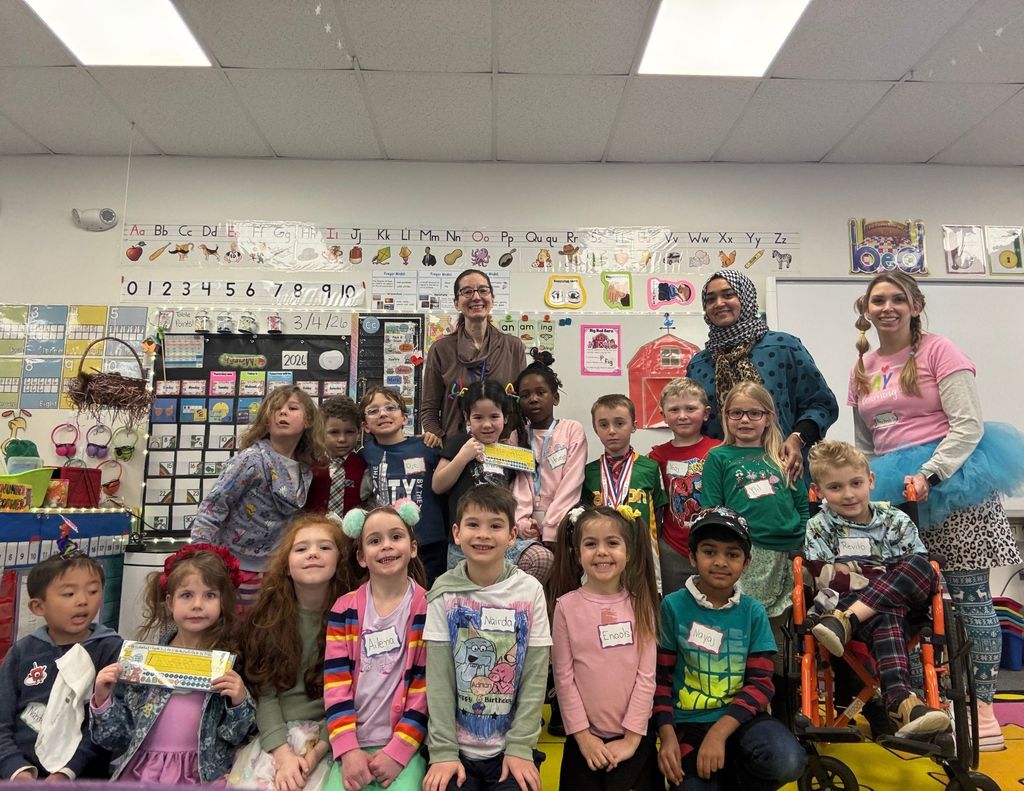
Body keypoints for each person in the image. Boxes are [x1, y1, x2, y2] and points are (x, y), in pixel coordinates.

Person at [850, 271, 1024, 750]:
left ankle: (983, 708)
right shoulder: (862, 365)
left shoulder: (939, 350)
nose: (887, 307)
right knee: (908, 603)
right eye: (878, 299)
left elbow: (968, 425)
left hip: (952, 484)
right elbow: (867, 440)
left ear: (915, 305)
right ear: (865, 308)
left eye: (897, 299)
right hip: (895, 495)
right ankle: (928, 701)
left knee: (969, 598)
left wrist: (931, 474)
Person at [803, 440, 950, 737]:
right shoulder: (819, 525)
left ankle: (850, 618)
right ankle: (902, 702)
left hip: (854, 618)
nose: (848, 494)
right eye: (835, 487)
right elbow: (825, 579)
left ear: (871, 481)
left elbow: (918, 573)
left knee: (921, 566)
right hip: (869, 616)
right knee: (887, 612)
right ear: (819, 491)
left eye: (856, 483)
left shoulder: (895, 519)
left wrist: (856, 574)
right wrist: (884, 574)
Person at [655, 507, 806, 791]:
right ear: (692, 557)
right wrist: (667, 735)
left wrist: (719, 734)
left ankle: (730, 775)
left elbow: (761, 684)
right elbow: (660, 679)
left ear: (746, 563)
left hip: (742, 720)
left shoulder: (753, 612)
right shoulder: (672, 607)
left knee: (788, 760)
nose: (720, 562)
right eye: (709, 552)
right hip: (688, 725)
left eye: (732, 554)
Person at [90, 544, 256, 784]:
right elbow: (116, 738)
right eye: (187, 595)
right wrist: (103, 699)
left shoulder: (231, 661)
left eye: (209, 595)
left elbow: (237, 736)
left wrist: (239, 701)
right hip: (143, 774)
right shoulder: (143, 662)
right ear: (170, 602)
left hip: (203, 775)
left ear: (223, 601)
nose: (197, 604)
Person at [423, 485, 551, 791]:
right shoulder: (443, 591)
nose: (483, 534)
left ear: (512, 536)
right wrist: (442, 752)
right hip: (455, 751)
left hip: (511, 749)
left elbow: (535, 676)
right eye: (473, 524)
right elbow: (439, 678)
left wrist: (520, 747)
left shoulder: (529, 590)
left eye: (495, 525)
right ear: (456, 533)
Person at [230, 515, 352, 791]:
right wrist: (283, 754)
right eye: (301, 549)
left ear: (340, 559)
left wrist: (317, 751)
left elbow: (355, 696)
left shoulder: (354, 618)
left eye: (324, 547)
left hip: (332, 737)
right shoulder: (267, 620)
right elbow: (265, 693)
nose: (312, 553)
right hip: (277, 738)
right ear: (286, 565)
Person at [686, 269, 838, 481]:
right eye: (710, 299)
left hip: (784, 472)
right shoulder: (699, 365)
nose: (719, 303)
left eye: (728, 295)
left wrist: (797, 439)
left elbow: (821, 405)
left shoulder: (783, 347)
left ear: (745, 298)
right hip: (725, 479)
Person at [548, 506, 660, 791]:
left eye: (612, 543)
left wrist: (632, 739)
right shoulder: (566, 608)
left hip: (636, 739)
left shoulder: (641, 605)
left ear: (629, 552)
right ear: (577, 552)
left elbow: (646, 678)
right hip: (584, 741)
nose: (601, 552)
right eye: (590, 544)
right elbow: (563, 678)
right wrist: (584, 738)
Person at [323, 501, 429, 791]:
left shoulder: (428, 607)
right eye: (374, 540)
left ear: (414, 547)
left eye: (396, 537)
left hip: (404, 747)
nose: (386, 546)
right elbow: (335, 685)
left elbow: (425, 687)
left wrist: (398, 752)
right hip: (352, 746)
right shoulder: (343, 610)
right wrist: (348, 750)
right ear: (361, 557)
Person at [191, 385, 325, 605]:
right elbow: (213, 507)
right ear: (266, 418)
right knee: (235, 632)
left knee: (265, 631)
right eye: (276, 408)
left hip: (276, 569)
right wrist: (198, 558)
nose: (283, 412)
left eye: (292, 408)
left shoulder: (305, 470)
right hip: (236, 568)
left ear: (308, 420)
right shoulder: (251, 459)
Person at [0, 551, 122, 781]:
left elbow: (107, 726)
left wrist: (66, 772)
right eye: (69, 593)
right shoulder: (22, 652)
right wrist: (16, 770)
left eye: (93, 591)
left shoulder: (110, 650)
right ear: (38, 607)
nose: (83, 600)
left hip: (83, 777)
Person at [434, 380, 553, 582]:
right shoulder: (460, 443)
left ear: (505, 418)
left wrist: (526, 521)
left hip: (501, 540)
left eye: (494, 417)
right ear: (467, 418)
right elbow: (438, 485)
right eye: (478, 417)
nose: (487, 424)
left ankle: (509, 597)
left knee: (543, 558)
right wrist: (463, 456)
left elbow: (521, 489)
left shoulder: (509, 452)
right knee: (467, 598)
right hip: (463, 543)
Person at [420, 269, 528, 447]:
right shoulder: (441, 349)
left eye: (483, 290)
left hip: (502, 449)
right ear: (457, 303)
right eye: (467, 292)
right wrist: (436, 434)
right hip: (456, 449)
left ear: (492, 299)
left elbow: (519, 404)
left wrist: (512, 438)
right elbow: (429, 407)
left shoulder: (513, 347)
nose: (476, 297)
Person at [359, 386, 447, 585]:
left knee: (429, 599)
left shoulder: (427, 447)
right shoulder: (366, 454)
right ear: (365, 426)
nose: (382, 414)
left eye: (390, 408)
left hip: (429, 542)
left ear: (405, 418)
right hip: (388, 545)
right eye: (373, 411)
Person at [582, 394, 666, 587]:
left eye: (620, 423)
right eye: (603, 425)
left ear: (634, 426)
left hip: (641, 552)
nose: (612, 431)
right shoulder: (589, 472)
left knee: (642, 606)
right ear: (595, 428)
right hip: (603, 554)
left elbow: (660, 512)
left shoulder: (650, 467)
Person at [649, 378, 721, 593]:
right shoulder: (656, 456)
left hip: (714, 545)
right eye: (674, 410)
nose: (682, 416)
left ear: (706, 413)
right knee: (675, 608)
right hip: (673, 549)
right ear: (663, 416)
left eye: (690, 408)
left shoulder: (720, 451)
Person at [511, 351, 588, 548]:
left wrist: (552, 528)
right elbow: (520, 482)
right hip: (526, 526)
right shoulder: (517, 435)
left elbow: (572, 481)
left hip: (563, 523)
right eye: (525, 395)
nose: (533, 399)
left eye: (540, 392)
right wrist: (521, 522)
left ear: (555, 398)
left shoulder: (572, 430)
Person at [322, 395, 369, 518]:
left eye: (349, 432)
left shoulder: (364, 466)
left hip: (351, 535)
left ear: (359, 433)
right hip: (313, 533)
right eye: (334, 432)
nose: (342, 439)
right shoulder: (309, 463)